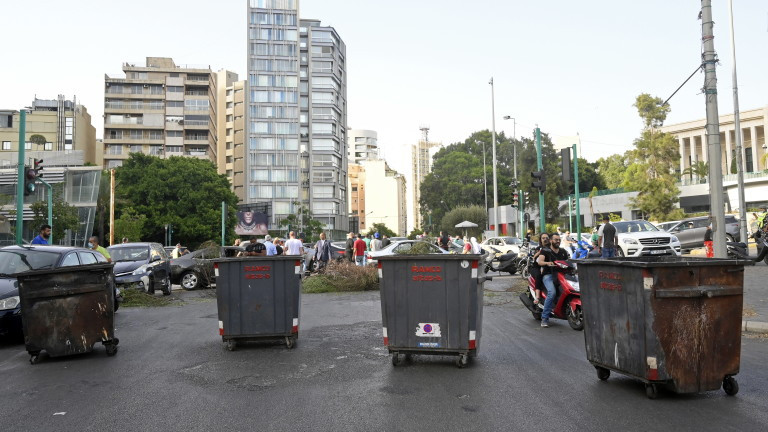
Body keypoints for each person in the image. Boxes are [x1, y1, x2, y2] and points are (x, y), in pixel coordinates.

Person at [537, 233, 569, 328]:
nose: (558, 241)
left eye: (559, 239)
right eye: (556, 240)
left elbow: (568, 262)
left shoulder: (563, 251)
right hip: (549, 275)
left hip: (561, 276)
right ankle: (545, 318)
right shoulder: (545, 251)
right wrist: (547, 263)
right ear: (551, 240)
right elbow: (539, 261)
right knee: (552, 292)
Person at [530, 233, 551, 306]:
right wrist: (541, 252)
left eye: (547, 238)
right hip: (536, 267)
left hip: (548, 267)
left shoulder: (552, 247)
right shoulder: (538, 248)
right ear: (540, 240)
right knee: (539, 275)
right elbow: (534, 258)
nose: (545, 239)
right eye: (543, 238)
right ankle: (538, 297)